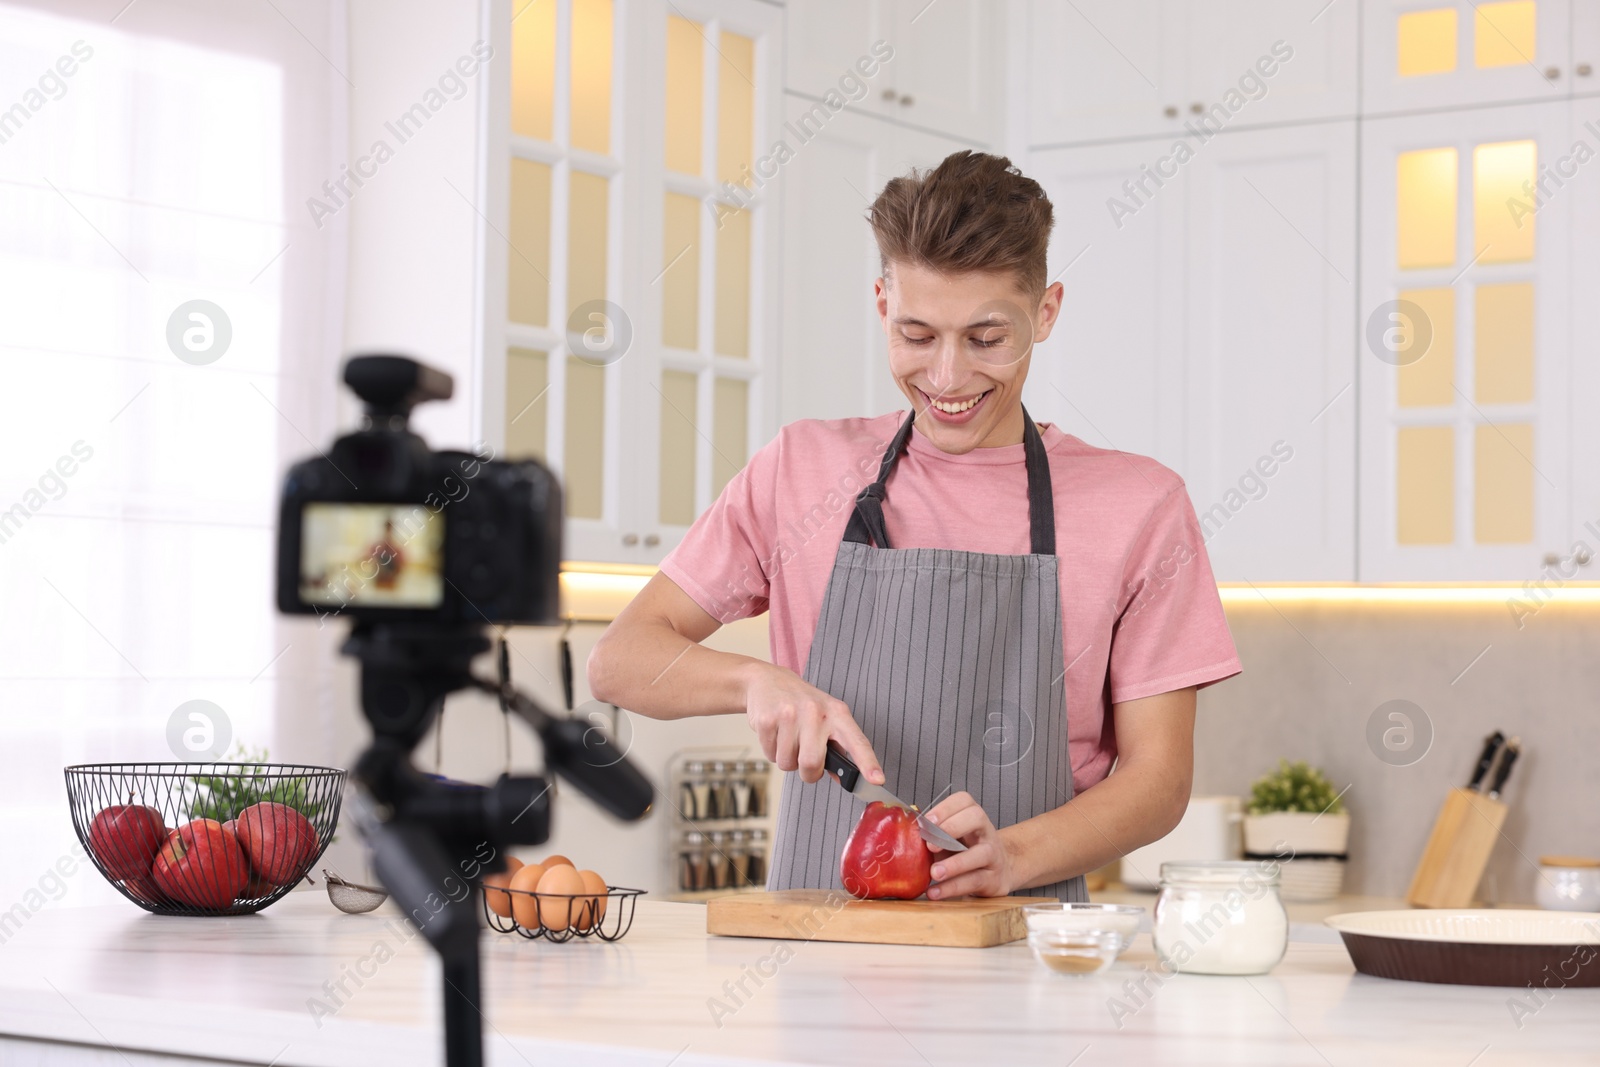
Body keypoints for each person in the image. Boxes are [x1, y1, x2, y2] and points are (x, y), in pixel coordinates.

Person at [589, 151, 1240, 902]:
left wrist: (1015, 856)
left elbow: (1159, 779)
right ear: (880, 303)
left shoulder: (1141, 504)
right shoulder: (800, 467)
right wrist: (754, 681)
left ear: (1047, 312)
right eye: (918, 335)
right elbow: (620, 658)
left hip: (1023, 948)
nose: (948, 376)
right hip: (818, 951)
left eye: (987, 338)